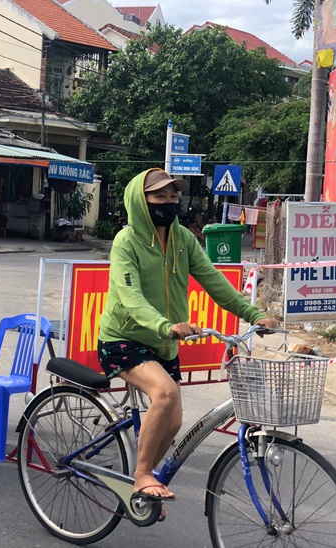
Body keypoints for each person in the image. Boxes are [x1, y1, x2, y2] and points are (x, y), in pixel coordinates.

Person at [97, 168, 278, 504]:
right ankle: (141, 476)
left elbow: (214, 281)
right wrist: (166, 325)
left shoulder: (182, 238)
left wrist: (253, 314)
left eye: (173, 195)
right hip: (124, 339)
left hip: (163, 346)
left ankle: (143, 493)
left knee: (173, 422)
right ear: (142, 200)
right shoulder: (127, 242)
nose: (169, 201)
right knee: (165, 395)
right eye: (160, 196)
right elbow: (130, 297)